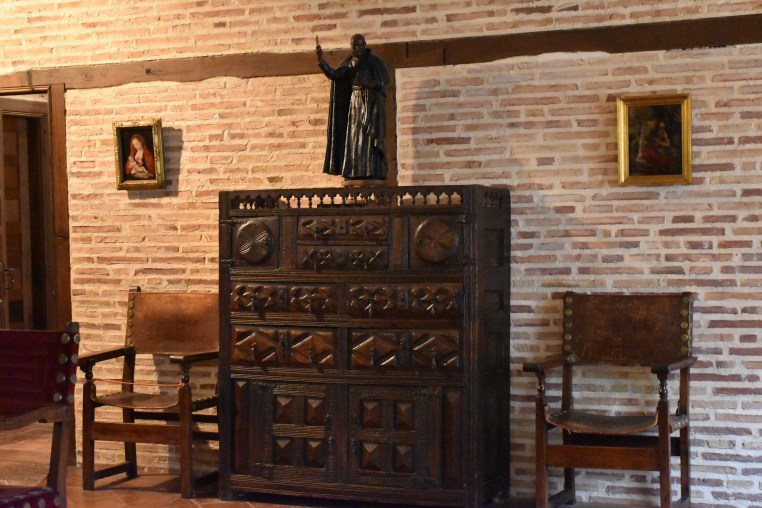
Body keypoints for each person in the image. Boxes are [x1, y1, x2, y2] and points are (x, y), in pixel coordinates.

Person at [316, 34, 389, 179]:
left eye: (360, 45)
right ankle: (355, 170)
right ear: (352, 46)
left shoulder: (374, 61)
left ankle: (373, 170)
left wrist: (370, 83)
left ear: (365, 45)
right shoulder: (349, 63)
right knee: (355, 136)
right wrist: (321, 61)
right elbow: (334, 75)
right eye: (355, 45)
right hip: (356, 103)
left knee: (370, 139)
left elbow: (383, 80)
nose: (358, 48)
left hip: (372, 103)